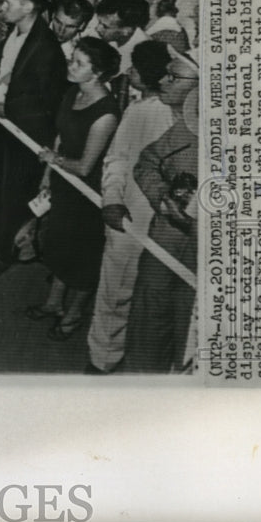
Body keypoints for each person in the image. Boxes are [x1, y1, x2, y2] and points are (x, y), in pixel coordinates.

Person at [0, 0, 67, 273]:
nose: (2, 6)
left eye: (8, 2)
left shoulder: (46, 46)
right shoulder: (20, 32)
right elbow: (12, 71)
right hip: (8, 121)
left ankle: (6, 251)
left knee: (15, 191)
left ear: (28, 6)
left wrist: (7, 106)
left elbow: (44, 98)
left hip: (27, 130)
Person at [86, 40, 174, 374]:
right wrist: (112, 200)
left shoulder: (149, 112)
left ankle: (116, 359)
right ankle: (102, 360)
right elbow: (118, 160)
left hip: (155, 224)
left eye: (135, 68)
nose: (129, 73)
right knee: (117, 291)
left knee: (122, 294)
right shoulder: (139, 109)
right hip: (129, 217)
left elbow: (117, 158)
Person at [30, 37, 121, 339]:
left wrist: (53, 159)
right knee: (58, 245)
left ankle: (74, 314)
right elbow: (59, 136)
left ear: (97, 74)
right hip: (62, 180)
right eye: (73, 60)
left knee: (82, 256)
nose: (70, 66)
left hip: (88, 194)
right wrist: (47, 173)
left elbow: (85, 166)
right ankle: (54, 303)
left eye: (79, 64)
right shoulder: (72, 92)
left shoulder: (106, 112)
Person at [124, 52, 200, 373]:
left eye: (174, 77)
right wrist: (161, 195)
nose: (163, 81)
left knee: (188, 339)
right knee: (148, 327)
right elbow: (147, 163)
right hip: (164, 243)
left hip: (199, 260)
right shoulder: (187, 124)